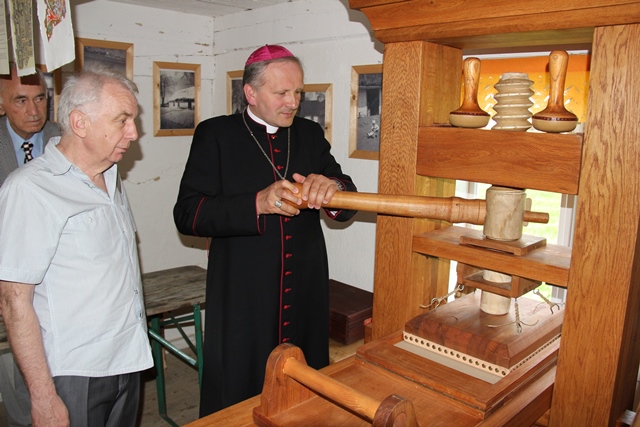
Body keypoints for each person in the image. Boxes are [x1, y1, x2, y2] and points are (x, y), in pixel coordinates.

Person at [174, 44, 358, 416]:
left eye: (298, 92)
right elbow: (188, 213)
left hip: (305, 287)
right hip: (243, 292)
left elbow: (348, 197)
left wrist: (333, 188)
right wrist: (255, 203)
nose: (293, 102)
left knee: (305, 394)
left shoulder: (308, 134)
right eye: (282, 93)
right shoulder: (216, 134)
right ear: (251, 93)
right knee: (241, 390)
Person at [0, 65, 153, 427]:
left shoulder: (111, 175)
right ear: (80, 123)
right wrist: (43, 396)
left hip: (128, 357)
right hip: (76, 372)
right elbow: (14, 301)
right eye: (122, 120)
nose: (134, 132)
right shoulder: (29, 189)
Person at [0, 62, 61, 427]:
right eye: (21, 100)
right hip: (8, 273)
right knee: (15, 369)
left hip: (60, 274)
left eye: (40, 98)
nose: (35, 110)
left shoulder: (65, 137)